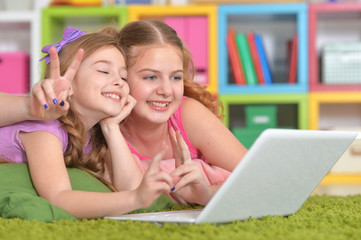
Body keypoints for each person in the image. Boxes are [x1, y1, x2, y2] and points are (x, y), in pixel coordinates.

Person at [0, 26, 175, 219]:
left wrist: (112, 127)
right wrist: (133, 199)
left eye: (123, 76)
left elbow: (134, 189)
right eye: (103, 70)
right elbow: (59, 198)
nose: (119, 82)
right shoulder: (46, 129)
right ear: (69, 83)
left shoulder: (94, 134)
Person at [116, 20, 248, 205]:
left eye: (175, 77)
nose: (167, 90)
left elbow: (260, 176)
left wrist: (207, 194)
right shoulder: (108, 129)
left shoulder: (187, 114)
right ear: (121, 78)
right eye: (151, 77)